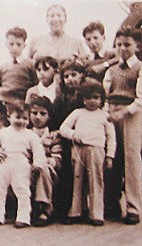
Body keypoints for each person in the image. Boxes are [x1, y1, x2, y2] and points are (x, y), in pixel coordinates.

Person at [103, 26, 142, 225]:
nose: (123, 49)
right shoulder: (111, 70)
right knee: (111, 159)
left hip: (131, 115)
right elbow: (105, 92)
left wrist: (123, 113)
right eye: (119, 45)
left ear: (137, 46)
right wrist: (108, 112)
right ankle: (111, 204)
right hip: (112, 115)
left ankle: (133, 208)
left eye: (127, 44)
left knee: (131, 161)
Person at [0, 103, 47, 228]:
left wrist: (38, 163)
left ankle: (23, 216)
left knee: (22, 191)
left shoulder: (30, 135)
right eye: (18, 117)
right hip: (4, 164)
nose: (21, 121)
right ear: (9, 117)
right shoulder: (3, 133)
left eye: (25, 118)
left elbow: (38, 150)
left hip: (21, 165)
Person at [60, 79, 116, 226]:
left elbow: (111, 138)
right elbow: (63, 128)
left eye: (96, 97)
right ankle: (76, 211)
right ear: (82, 99)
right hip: (79, 150)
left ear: (101, 99)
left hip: (96, 151)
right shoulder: (77, 113)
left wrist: (110, 156)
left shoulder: (105, 115)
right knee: (78, 180)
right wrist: (73, 135)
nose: (92, 101)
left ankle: (96, 214)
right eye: (88, 97)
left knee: (96, 181)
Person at [51, 60, 86, 220]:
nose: (70, 79)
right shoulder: (61, 99)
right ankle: (62, 209)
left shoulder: (85, 97)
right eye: (67, 76)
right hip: (65, 141)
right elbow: (55, 119)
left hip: (81, 140)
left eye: (74, 74)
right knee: (66, 173)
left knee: (81, 174)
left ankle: (80, 208)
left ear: (81, 75)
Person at [0, 26, 38, 124]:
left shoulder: (30, 64)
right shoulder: (2, 67)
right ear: (6, 45)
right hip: (4, 108)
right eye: (11, 44)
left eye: (18, 44)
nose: (14, 47)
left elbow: (36, 86)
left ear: (24, 46)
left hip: (22, 108)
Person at [29, 96, 62, 226]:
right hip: (29, 169)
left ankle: (45, 208)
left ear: (49, 117)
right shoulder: (25, 133)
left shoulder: (53, 137)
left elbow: (58, 160)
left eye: (43, 114)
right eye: (34, 113)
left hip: (48, 173)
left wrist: (43, 161)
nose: (38, 117)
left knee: (43, 169)